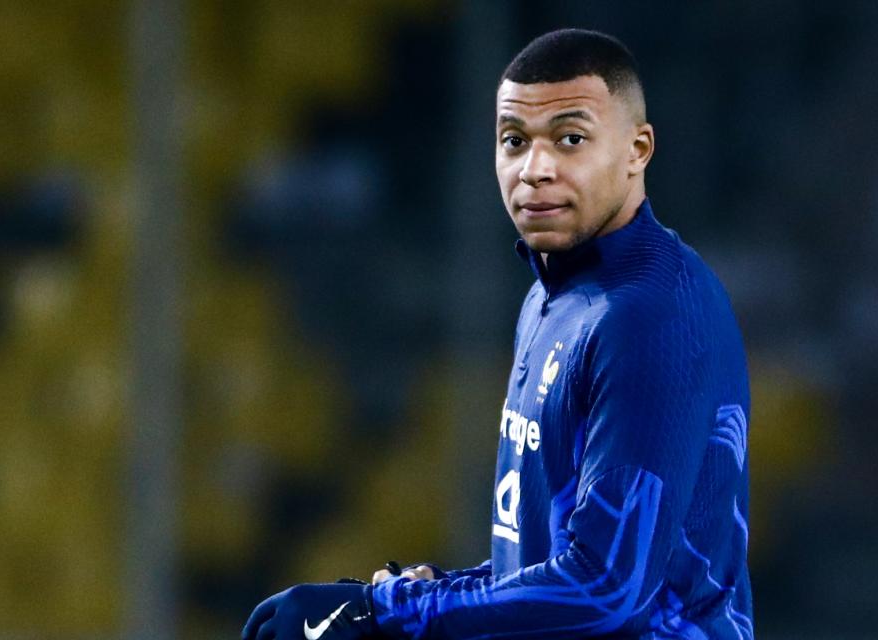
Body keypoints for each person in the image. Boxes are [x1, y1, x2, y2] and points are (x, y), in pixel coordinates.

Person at [242, 28, 753, 640]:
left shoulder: (648, 316)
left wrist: (388, 611)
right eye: (514, 140)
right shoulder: (549, 297)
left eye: (570, 139)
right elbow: (546, 566)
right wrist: (417, 598)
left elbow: (606, 589)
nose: (535, 170)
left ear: (636, 150)